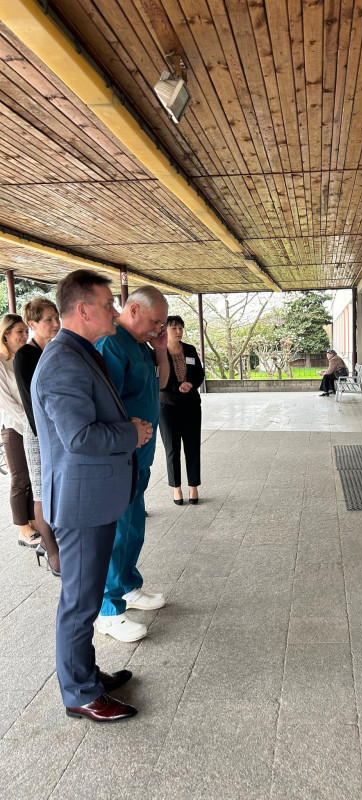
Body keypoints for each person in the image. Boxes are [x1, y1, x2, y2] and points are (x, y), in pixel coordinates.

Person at [32, 269, 153, 722]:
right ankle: (80, 693)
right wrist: (131, 433)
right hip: (81, 503)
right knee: (80, 603)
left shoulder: (80, 353)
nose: (115, 312)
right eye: (107, 304)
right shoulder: (63, 361)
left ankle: (86, 674)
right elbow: (79, 437)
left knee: (83, 597)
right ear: (83, 310)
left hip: (93, 497)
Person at [95, 286, 169, 643]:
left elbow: (161, 384)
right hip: (122, 455)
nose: (158, 329)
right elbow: (106, 406)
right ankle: (108, 610)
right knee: (118, 529)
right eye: (155, 322)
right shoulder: (111, 344)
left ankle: (127, 585)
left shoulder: (141, 344)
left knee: (134, 524)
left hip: (141, 454)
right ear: (134, 309)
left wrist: (160, 349)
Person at [14, 297, 61, 575]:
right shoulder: (25, 355)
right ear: (32, 324)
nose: (56, 323)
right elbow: (31, 404)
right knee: (42, 493)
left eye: (57, 317)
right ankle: (52, 553)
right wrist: (49, 436)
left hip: (59, 427)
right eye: (48, 319)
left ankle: (55, 543)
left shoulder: (55, 349)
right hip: (38, 431)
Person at [0, 313, 39, 548]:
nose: (25, 336)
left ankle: (34, 522)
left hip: (33, 426)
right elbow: (8, 403)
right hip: (14, 428)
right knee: (20, 479)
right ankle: (23, 530)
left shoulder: (23, 358)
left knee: (34, 478)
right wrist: (32, 425)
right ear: (6, 334)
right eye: (19, 332)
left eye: (26, 331)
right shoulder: (1, 363)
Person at [159, 315, 205, 506]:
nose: (178, 331)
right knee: (172, 449)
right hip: (168, 406)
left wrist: (191, 384)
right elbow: (156, 379)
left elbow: (199, 373)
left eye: (180, 328)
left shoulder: (190, 349)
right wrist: (176, 387)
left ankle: (193, 486)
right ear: (165, 330)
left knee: (192, 447)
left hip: (191, 405)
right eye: (174, 328)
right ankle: (176, 488)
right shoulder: (158, 352)